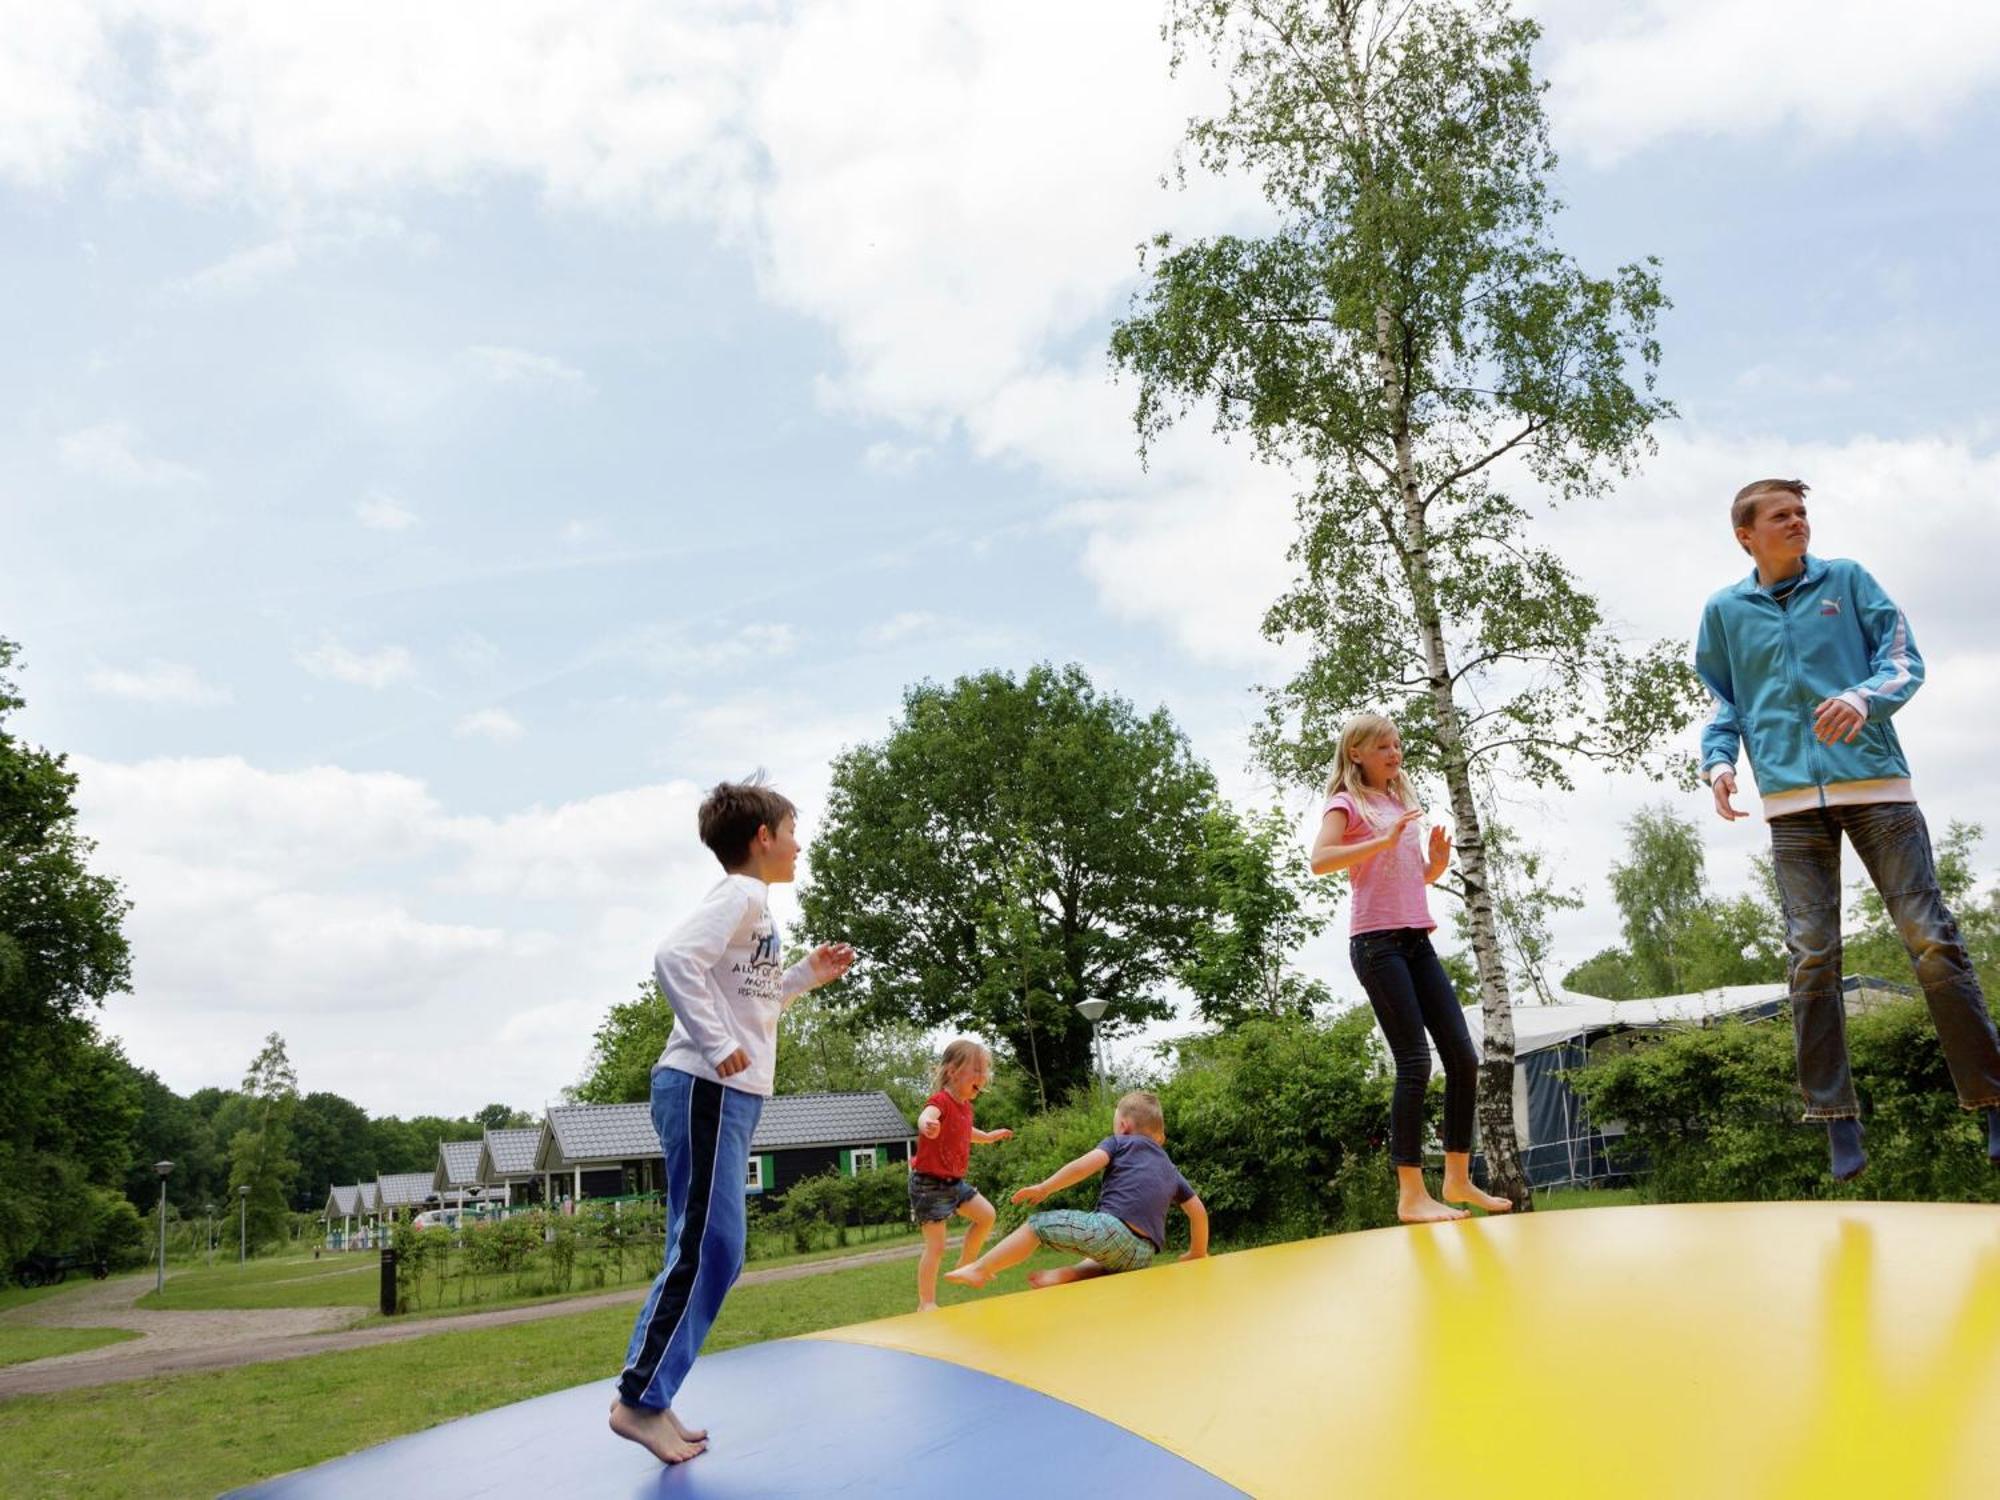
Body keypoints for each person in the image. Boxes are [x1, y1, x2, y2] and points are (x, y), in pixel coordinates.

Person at [1696, 478, 2000, 1181]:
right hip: (1791, 802)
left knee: (1930, 940)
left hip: (1877, 788)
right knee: (1810, 956)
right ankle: (1837, 1120)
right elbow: (1723, 701)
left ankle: (1989, 1098)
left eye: (1802, 512)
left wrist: (1864, 697)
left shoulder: (1850, 581)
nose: (1798, 522)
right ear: (1747, 534)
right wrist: (1718, 765)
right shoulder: (1724, 612)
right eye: (1782, 515)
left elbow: (1903, 662)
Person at [608, 779, 856, 1466]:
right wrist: (717, 1046)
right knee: (712, 1249)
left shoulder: (758, 913)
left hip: (724, 1093)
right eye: (792, 829)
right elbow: (673, 960)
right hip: (705, 1084)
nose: (800, 844)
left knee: (703, 1248)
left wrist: (803, 975)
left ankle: (649, 1396)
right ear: (762, 838)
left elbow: (749, 992)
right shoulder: (741, 896)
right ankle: (638, 1402)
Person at [1309, 712, 1512, 1223]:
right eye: (1383, 747)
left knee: (1464, 1059)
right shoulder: (1346, 803)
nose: (1395, 754)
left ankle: (1458, 1179)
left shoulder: (1400, 801)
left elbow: (1408, 876)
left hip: (1416, 938)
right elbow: (1320, 859)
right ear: (1356, 753)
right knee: (1415, 1063)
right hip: (1376, 945)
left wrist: (1435, 865)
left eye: (1397, 746)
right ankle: (1410, 1196)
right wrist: (1377, 841)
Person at [945, 1090, 1206, 1291]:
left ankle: (980, 1268)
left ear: (1124, 1126)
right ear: (1159, 1138)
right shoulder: (1170, 1168)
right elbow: (1197, 1211)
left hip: (1112, 1232)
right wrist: (1197, 1252)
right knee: (1105, 1263)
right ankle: (1068, 1275)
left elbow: (1083, 1167)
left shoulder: (1120, 1143)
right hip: (1142, 1254)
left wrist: (1044, 1187)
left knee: (1037, 1225)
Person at [910, 1038, 1010, 1310]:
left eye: (985, 1070)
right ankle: (926, 1303)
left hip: (954, 1183)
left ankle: (966, 1263)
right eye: (976, 1069)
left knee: (987, 1215)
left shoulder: (965, 1106)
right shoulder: (941, 1101)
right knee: (936, 1246)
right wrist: (926, 1123)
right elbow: (927, 1114)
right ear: (953, 1071)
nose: (983, 1076)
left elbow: (964, 1132)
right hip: (928, 1184)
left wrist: (988, 1137)